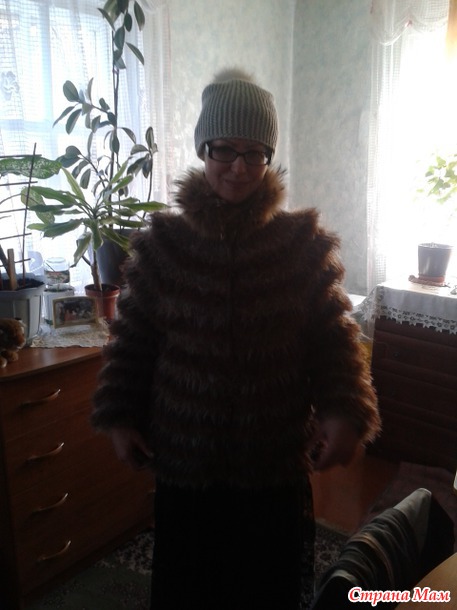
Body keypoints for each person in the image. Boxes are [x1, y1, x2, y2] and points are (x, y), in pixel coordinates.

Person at [91, 68, 381, 610]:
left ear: (269, 156)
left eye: (255, 152)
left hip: (271, 459)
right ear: (203, 148)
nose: (239, 167)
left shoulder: (302, 245)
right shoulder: (163, 246)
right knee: (190, 585)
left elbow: (334, 340)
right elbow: (132, 342)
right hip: (184, 460)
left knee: (264, 585)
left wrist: (344, 411)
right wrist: (120, 416)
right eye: (225, 149)